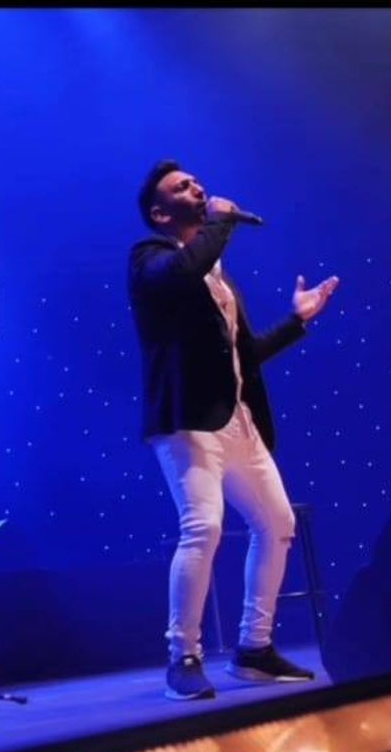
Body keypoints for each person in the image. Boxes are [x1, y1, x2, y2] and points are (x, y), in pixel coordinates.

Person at [128, 159, 341, 701]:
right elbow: (181, 275)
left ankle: (253, 649)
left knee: (278, 523)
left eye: (197, 181)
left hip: (237, 419)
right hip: (187, 421)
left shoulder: (218, 277)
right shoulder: (149, 259)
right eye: (182, 186)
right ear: (160, 211)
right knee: (204, 528)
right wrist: (220, 224)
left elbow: (246, 354)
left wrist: (298, 321)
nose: (197, 186)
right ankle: (184, 654)